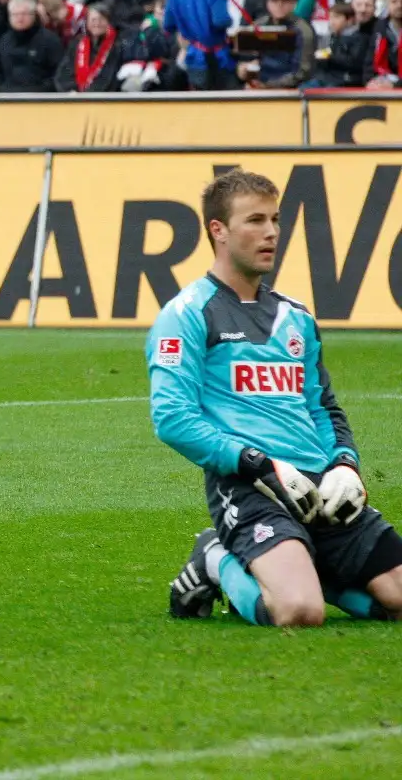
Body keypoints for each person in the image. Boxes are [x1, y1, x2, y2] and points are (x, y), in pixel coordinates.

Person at [158, 171, 402, 627]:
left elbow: (323, 406)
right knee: (297, 612)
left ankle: (308, 569)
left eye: (275, 219)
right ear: (219, 230)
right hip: (251, 488)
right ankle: (213, 557)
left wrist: (345, 465)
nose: (271, 232)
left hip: (322, 487)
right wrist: (260, 464)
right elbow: (173, 419)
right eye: (254, 220)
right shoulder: (186, 314)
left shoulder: (297, 316)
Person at [238, 0, 315, 87]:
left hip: (291, 90)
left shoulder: (303, 30)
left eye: (285, 1)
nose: (279, 5)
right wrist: (242, 69)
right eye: (275, 1)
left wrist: (268, 86)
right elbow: (246, 57)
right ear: (267, 3)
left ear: (294, 4)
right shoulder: (258, 26)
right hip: (258, 84)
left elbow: (302, 71)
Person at [0, 0, 64, 90]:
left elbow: (58, 75)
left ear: (34, 15)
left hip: (41, 99)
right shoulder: (3, 41)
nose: (19, 18)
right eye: (15, 14)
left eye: (24, 14)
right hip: (7, 98)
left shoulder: (50, 40)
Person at [55, 3, 127, 91]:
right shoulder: (76, 43)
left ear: (108, 22)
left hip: (104, 98)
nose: (97, 23)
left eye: (101, 19)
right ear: (86, 22)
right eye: (93, 20)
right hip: (75, 97)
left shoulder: (118, 45)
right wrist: (72, 91)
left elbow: (109, 77)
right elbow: (64, 73)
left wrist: (89, 95)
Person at [309, 0, 367, 87]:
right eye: (330, 17)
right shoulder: (331, 37)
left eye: (336, 17)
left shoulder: (360, 39)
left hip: (345, 82)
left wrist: (330, 56)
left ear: (349, 19)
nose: (332, 21)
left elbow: (354, 63)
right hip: (325, 79)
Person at [369, 0, 402, 86]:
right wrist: (369, 81)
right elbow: (370, 59)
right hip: (382, 81)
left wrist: (395, 85)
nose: (399, 5)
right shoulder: (379, 27)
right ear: (387, 5)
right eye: (394, 2)